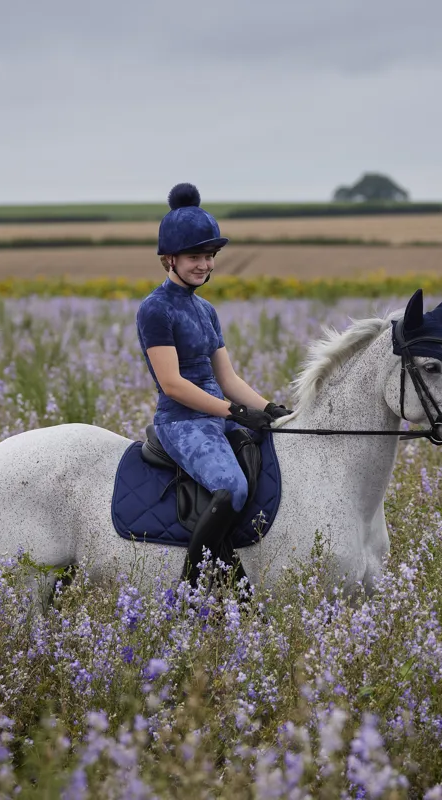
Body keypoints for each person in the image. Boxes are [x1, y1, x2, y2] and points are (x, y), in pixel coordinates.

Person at [136, 182, 291, 586]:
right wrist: (234, 412)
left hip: (218, 416)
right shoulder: (155, 310)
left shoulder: (206, 309)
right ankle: (193, 585)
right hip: (182, 423)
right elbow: (172, 384)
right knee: (231, 486)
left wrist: (271, 409)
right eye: (194, 257)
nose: (204, 265)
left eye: (209, 256)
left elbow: (227, 378)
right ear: (169, 259)